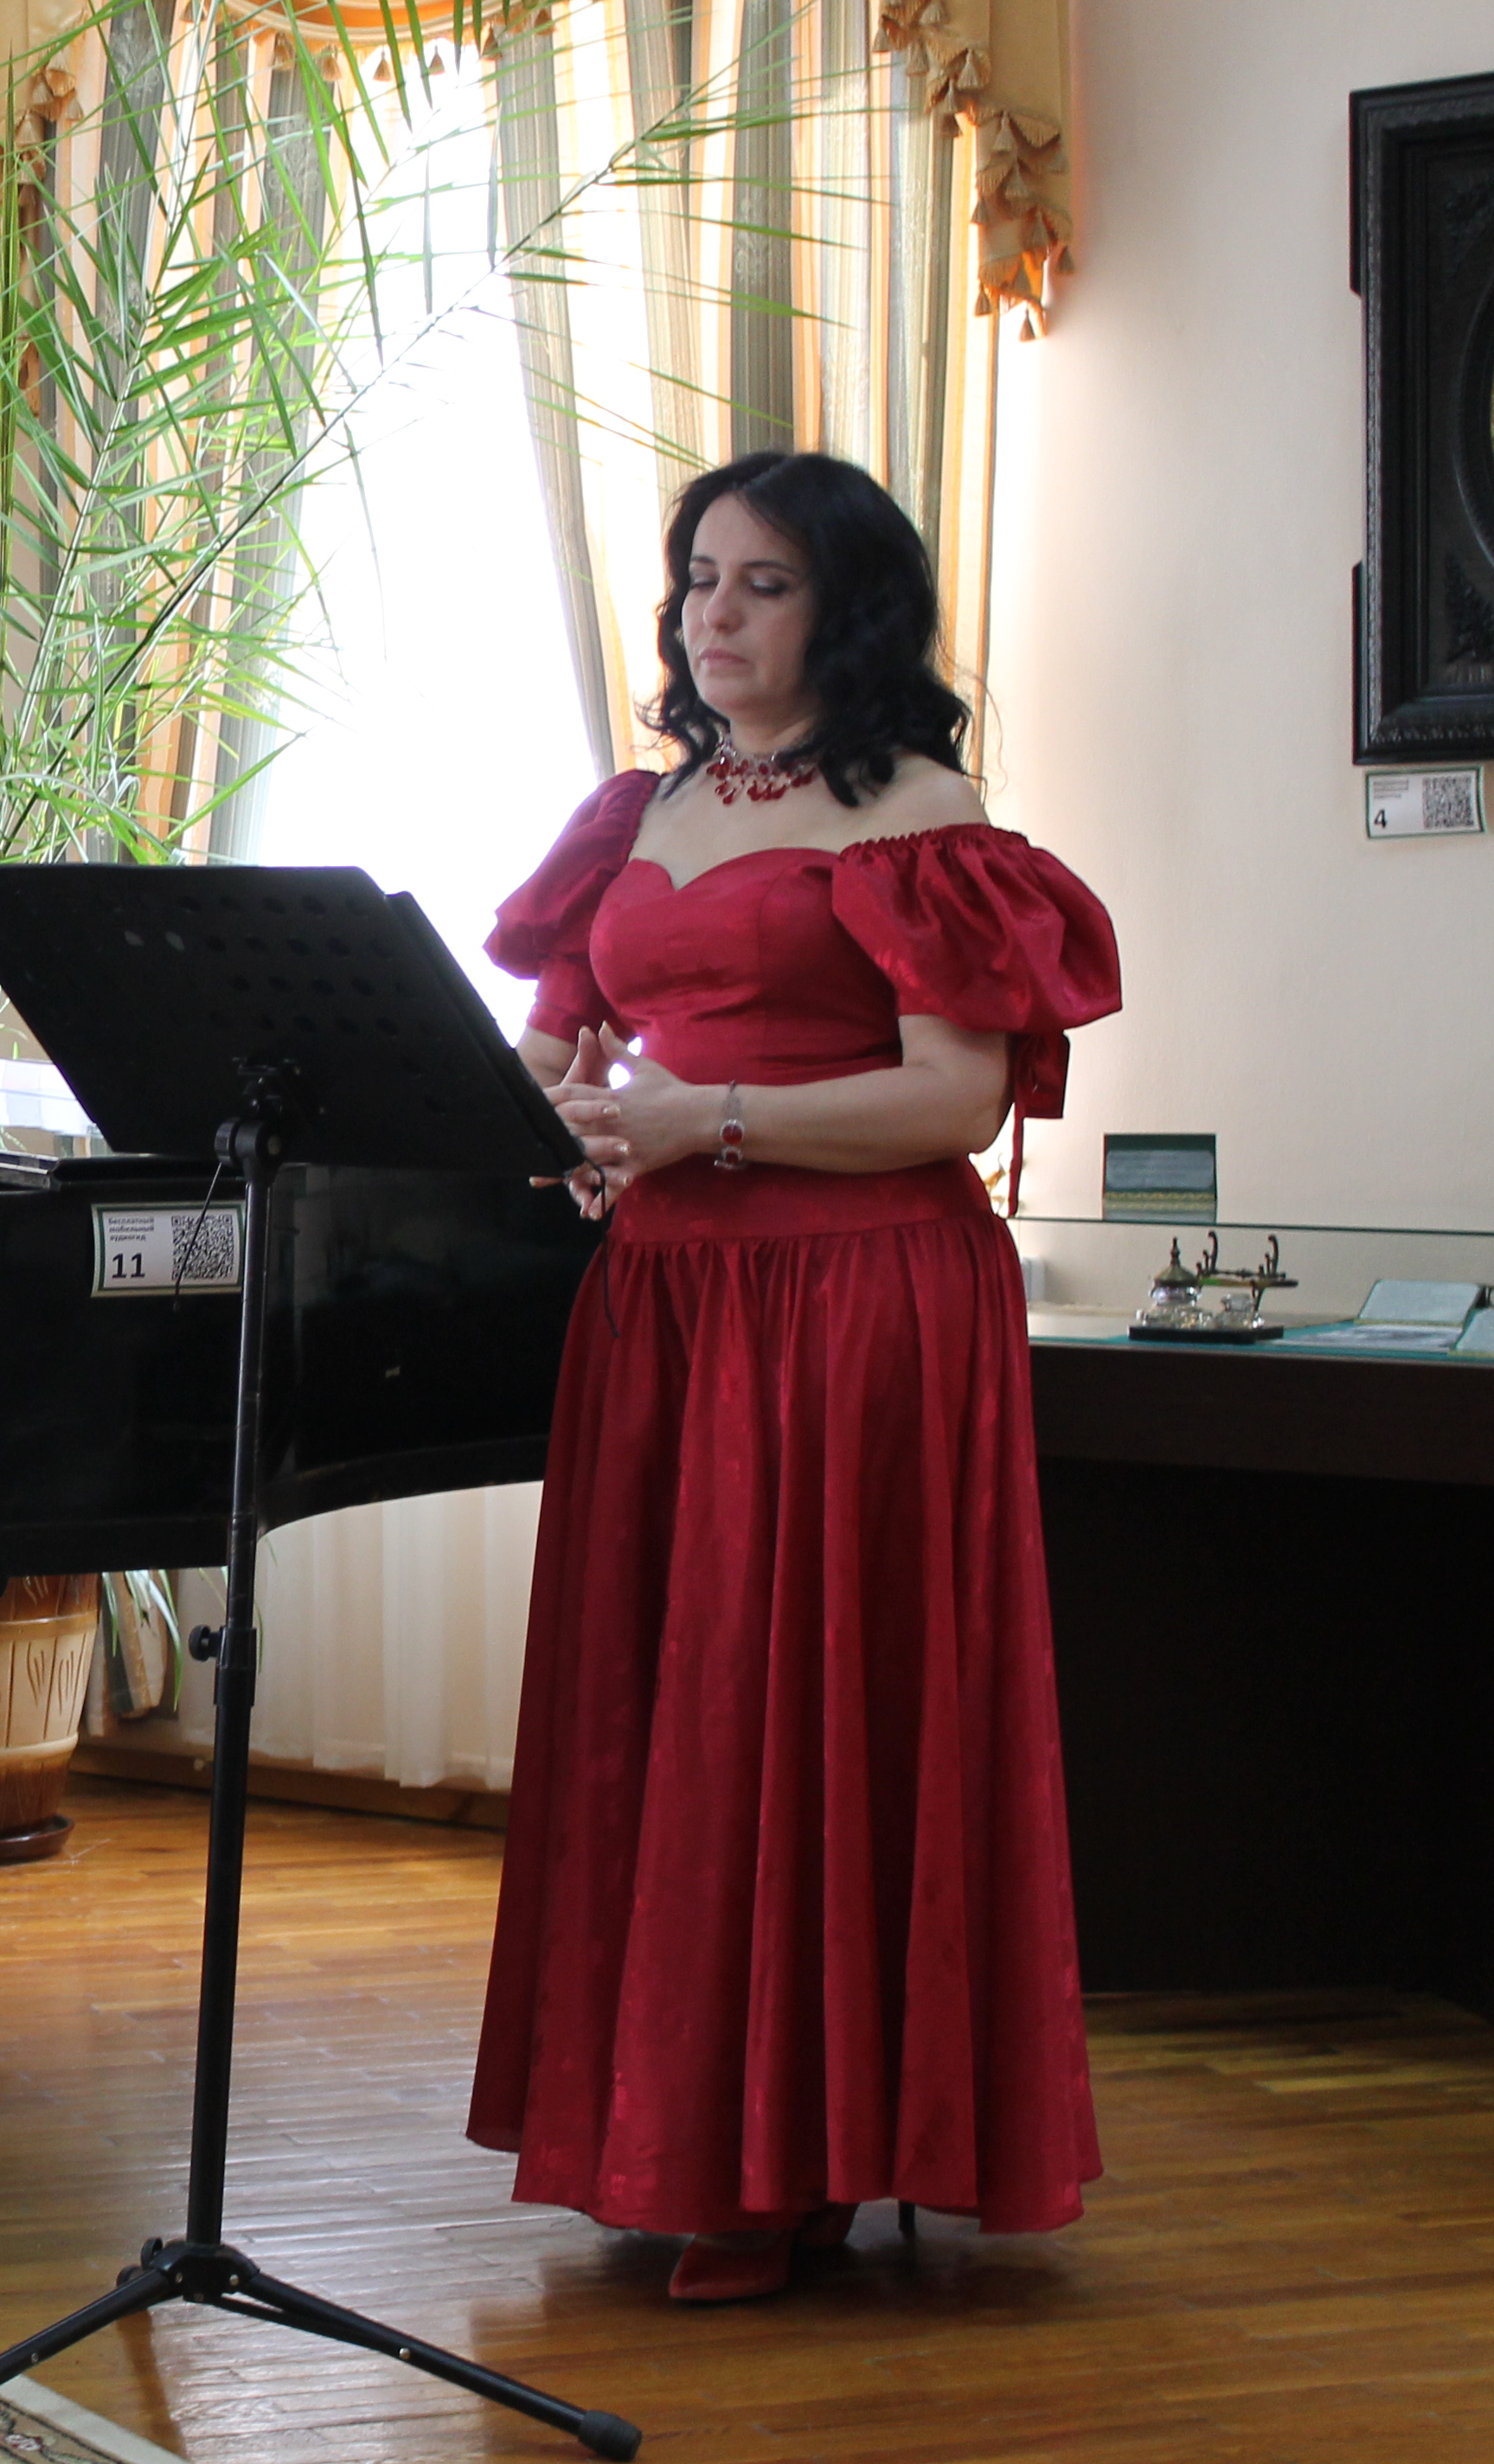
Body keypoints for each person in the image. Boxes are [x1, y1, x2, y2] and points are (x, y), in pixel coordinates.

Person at [467, 452, 1119, 2303]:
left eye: (762, 583)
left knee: (805, 1698)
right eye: (699, 579)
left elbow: (958, 1098)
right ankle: (680, 2125)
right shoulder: (635, 813)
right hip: (670, 1302)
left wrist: (708, 1119)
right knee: (667, 1706)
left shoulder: (921, 814)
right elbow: (552, 1052)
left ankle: (804, 2159)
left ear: (849, 606)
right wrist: (531, 1110)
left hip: (862, 1299)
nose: (715, 617)